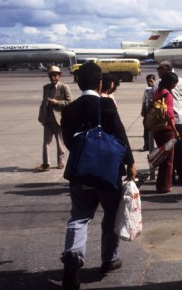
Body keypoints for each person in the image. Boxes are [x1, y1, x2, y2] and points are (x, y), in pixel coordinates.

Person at [59, 62, 136, 290]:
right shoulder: (106, 105)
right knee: (110, 216)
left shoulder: (69, 109)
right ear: (100, 83)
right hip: (107, 173)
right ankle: (109, 259)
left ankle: (73, 254)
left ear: (78, 83)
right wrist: (130, 163)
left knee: (80, 217)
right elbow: (121, 137)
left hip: (81, 172)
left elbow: (69, 142)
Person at [157, 61, 182, 185]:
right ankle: (180, 176)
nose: (157, 71)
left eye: (159, 69)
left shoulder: (162, 85)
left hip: (169, 122)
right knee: (177, 151)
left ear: (165, 69)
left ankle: (171, 177)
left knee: (171, 152)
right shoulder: (181, 81)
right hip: (176, 120)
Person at [37, 65, 72, 171]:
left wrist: (57, 102)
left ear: (59, 76)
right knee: (46, 142)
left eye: (55, 75)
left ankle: (61, 162)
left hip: (58, 119)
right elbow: (43, 102)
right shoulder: (46, 87)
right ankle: (46, 163)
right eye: (51, 76)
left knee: (59, 142)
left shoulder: (64, 87)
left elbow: (69, 102)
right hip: (47, 119)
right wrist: (41, 115)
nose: (53, 78)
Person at [152, 71, 179, 192]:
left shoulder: (157, 91)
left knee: (162, 157)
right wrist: (175, 130)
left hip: (157, 128)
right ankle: (165, 186)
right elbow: (169, 114)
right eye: (175, 83)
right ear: (171, 83)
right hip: (167, 129)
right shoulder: (167, 94)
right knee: (168, 159)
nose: (175, 86)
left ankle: (160, 184)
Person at [140, 74, 156, 151]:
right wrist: (143, 111)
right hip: (148, 112)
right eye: (148, 81)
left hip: (156, 112)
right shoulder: (146, 90)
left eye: (151, 81)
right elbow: (144, 100)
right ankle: (146, 145)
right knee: (146, 130)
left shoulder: (157, 89)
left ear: (155, 81)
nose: (149, 83)